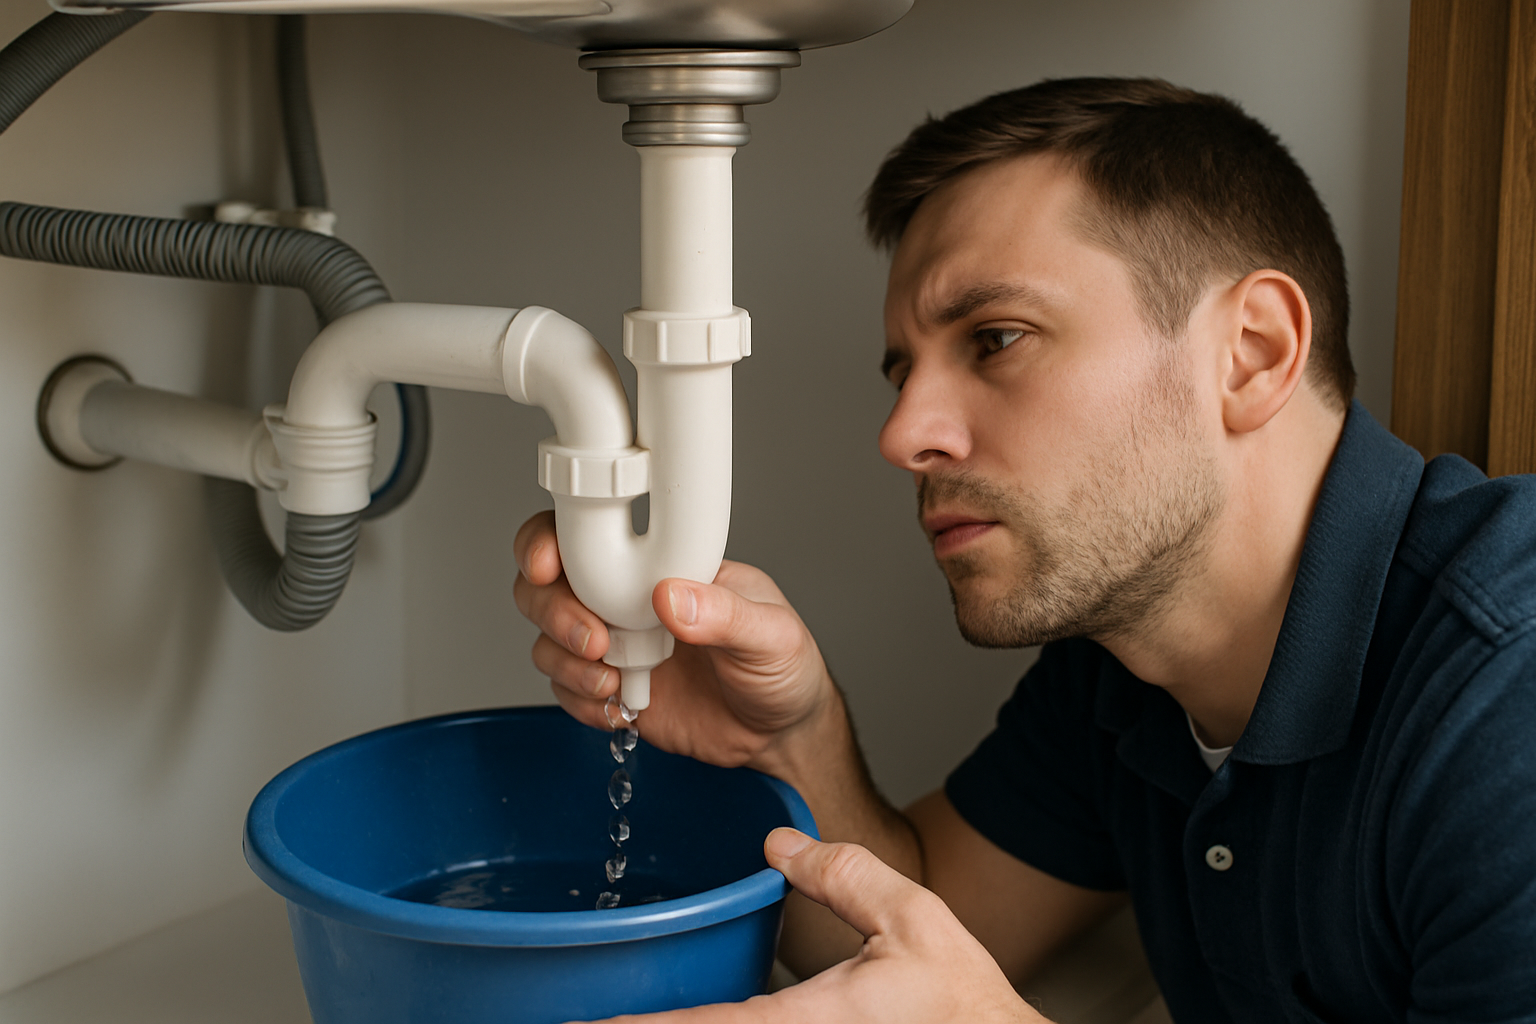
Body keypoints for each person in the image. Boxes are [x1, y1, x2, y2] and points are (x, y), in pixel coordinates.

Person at [513, 78, 1536, 1023]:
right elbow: (917, 930)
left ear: (1252, 353)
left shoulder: (1506, 695)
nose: (903, 435)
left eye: (995, 338)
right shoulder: (1123, 672)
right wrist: (784, 739)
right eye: (903, 374)